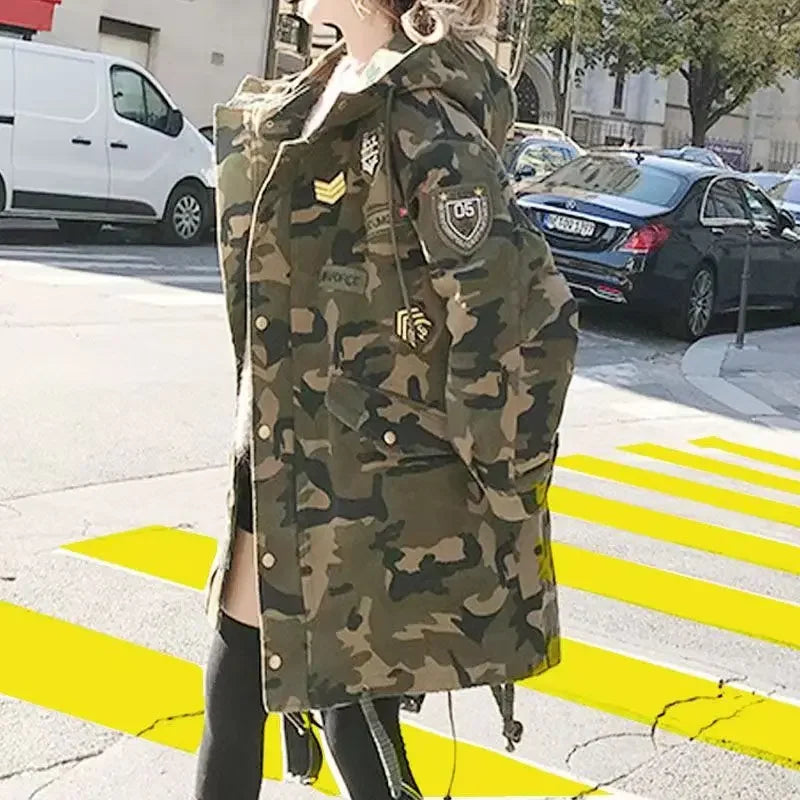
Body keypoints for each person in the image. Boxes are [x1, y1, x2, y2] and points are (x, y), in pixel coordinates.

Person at [195, 0, 579, 798]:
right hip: (283, 471)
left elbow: (521, 323)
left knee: (314, 710)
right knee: (255, 695)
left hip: (357, 504)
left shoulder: (423, 116)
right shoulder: (326, 88)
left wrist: (493, 493)